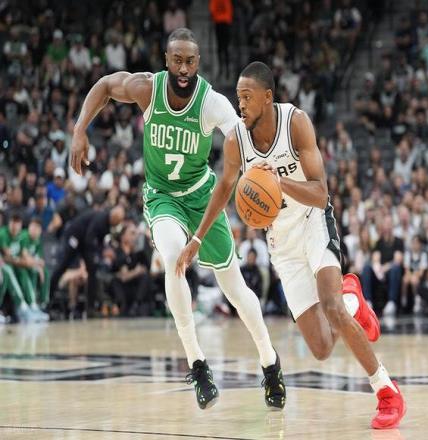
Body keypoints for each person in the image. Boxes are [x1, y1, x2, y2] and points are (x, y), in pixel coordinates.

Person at [176, 61, 406, 429]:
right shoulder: (236, 140)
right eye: (238, 98)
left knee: (331, 307)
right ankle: (353, 300)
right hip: (280, 241)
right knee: (322, 348)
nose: (240, 105)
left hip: (313, 220)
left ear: (267, 97)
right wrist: (197, 238)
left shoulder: (295, 122)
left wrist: (278, 183)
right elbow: (224, 189)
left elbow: (321, 193)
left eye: (247, 97)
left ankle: (386, 391)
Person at [70, 28, 285, 410]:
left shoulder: (211, 103)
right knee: (173, 259)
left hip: (202, 196)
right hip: (162, 196)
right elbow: (104, 86)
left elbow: (242, 137)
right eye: (177, 60)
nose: (183, 68)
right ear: (166, 60)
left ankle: (270, 363)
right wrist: (79, 129)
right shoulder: (146, 89)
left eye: (190, 61)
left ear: (197, 63)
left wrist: (258, 167)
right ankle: (197, 364)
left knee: (235, 288)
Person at [49, 206, 126, 313]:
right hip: (75, 236)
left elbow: (98, 240)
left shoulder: (108, 224)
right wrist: (100, 252)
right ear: (113, 216)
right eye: (117, 220)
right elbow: (90, 238)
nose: (117, 223)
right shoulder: (101, 220)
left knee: (92, 271)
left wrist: (100, 252)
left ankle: (90, 308)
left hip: (84, 242)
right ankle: (49, 298)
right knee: (62, 266)